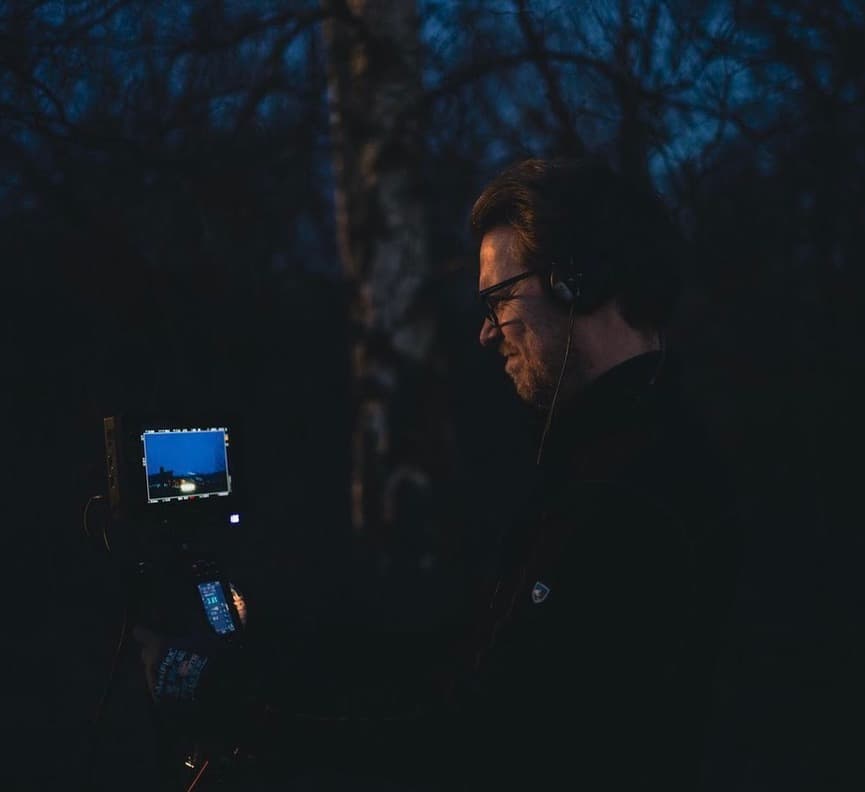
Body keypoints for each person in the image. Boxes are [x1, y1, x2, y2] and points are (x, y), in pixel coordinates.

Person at [135, 157, 739, 790]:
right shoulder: (616, 457)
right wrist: (273, 640)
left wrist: (223, 701)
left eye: (500, 298)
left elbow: (468, 737)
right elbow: (464, 660)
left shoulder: (628, 493)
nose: (485, 332)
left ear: (577, 282)